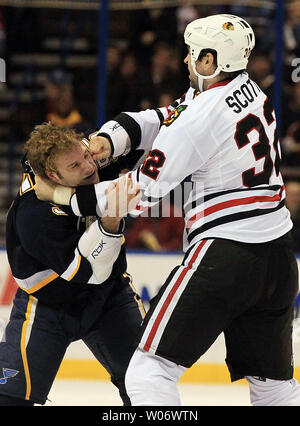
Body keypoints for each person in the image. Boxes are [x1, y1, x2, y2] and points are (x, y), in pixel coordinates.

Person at [34, 14, 300, 406]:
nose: (185, 60)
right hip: (279, 257)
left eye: (193, 53)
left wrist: (59, 196)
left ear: (210, 61)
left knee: (146, 370)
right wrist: (111, 139)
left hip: (225, 257)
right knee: (273, 386)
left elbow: (134, 194)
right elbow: (164, 117)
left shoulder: (200, 119)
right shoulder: (250, 90)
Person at [0, 122, 143, 406]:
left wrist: (112, 139)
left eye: (86, 157)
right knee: (10, 398)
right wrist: (112, 221)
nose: (89, 168)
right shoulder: (35, 215)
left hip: (109, 295)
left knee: (146, 385)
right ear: (52, 175)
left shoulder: (89, 156)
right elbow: (88, 271)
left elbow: (151, 141)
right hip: (48, 305)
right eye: (76, 166)